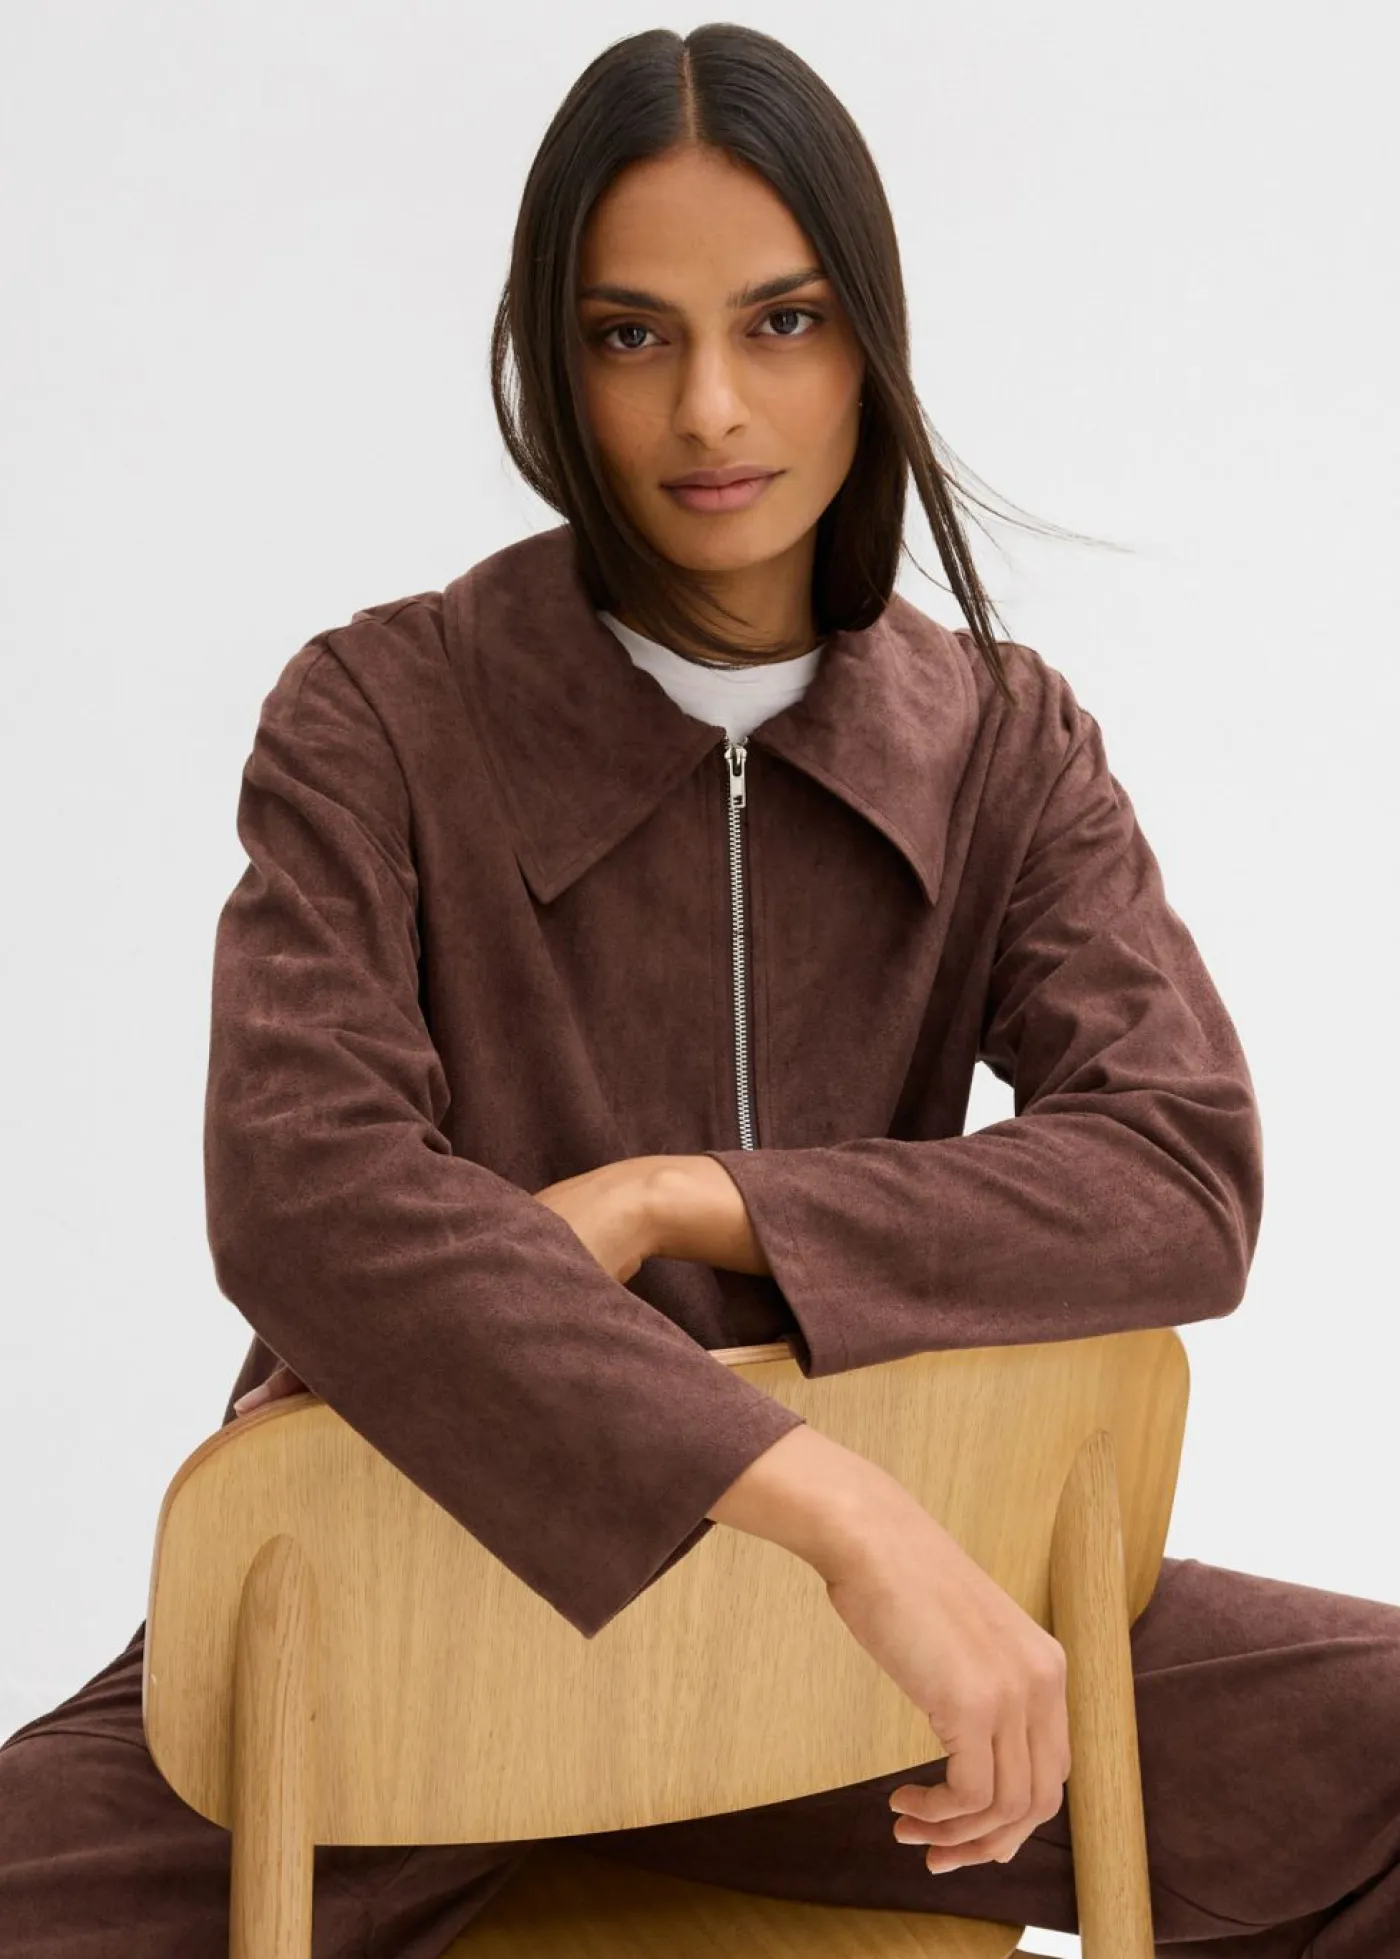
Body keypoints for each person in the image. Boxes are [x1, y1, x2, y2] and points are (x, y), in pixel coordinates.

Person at [3, 22, 1397, 1959]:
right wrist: (837, 1507)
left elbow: (1177, 1173)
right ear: (551, 361)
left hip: (861, 1682)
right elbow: (306, 1193)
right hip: (416, 1632)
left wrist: (695, 1198)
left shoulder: (1003, 743)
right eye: (631, 334)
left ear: (867, 342)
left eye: (784, 321)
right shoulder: (380, 713)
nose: (712, 408)